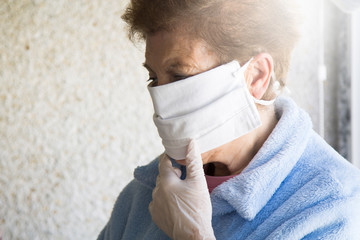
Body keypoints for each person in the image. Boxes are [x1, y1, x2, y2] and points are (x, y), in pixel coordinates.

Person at [98, 0, 360, 239]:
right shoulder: (145, 193)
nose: (160, 99)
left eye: (180, 77)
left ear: (255, 76)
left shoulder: (334, 208)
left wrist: (192, 235)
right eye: (153, 78)